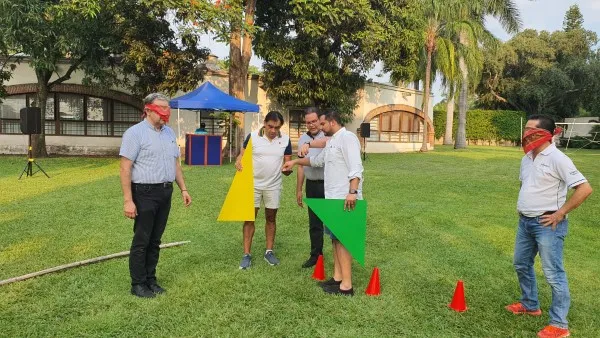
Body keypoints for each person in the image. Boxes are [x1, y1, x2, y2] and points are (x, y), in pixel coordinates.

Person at [505, 115, 592, 338]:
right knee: (521, 264)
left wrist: (560, 213)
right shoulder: (527, 157)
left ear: (545, 133)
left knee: (553, 274)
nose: (525, 133)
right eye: (525, 129)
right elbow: (526, 184)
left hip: (547, 225)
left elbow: (584, 188)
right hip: (525, 222)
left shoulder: (558, 158)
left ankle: (559, 325)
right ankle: (530, 305)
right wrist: (523, 205)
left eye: (530, 130)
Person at [283, 110, 364, 296]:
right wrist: (295, 162)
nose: (320, 127)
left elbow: (356, 167)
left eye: (322, 124)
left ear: (332, 122)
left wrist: (352, 192)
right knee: (335, 239)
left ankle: (347, 286)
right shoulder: (333, 141)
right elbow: (317, 161)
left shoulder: (348, 138)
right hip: (332, 198)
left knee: (343, 240)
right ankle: (337, 278)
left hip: (345, 198)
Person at [119, 93, 192, 298]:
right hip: (144, 193)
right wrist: (128, 200)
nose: (165, 113)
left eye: (167, 108)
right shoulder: (135, 134)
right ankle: (138, 284)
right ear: (148, 110)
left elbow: (175, 164)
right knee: (142, 239)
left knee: (155, 239)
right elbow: (125, 168)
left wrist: (183, 189)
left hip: (165, 191)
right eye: (161, 108)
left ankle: (151, 279)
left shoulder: (169, 133)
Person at [235, 111, 292, 269]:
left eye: (277, 127)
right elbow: (242, 155)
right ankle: (246, 254)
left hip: (273, 185)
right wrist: (239, 161)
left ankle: (269, 252)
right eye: (270, 127)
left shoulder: (285, 139)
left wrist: (288, 169)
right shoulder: (252, 136)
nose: (273, 131)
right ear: (264, 123)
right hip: (252, 185)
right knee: (249, 218)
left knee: (271, 218)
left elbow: (287, 162)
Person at [296, 107, 327, 268]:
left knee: (331, 222)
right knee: (314, 223)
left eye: (314, 121)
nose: (312, 125)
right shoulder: (302, 139)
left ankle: (340, 253)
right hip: (312, 185)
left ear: (319, 120)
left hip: (328, 185)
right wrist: (299, 189)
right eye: (308, 122)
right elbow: (300, 166)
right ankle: (316, 255)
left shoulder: (328, 136)